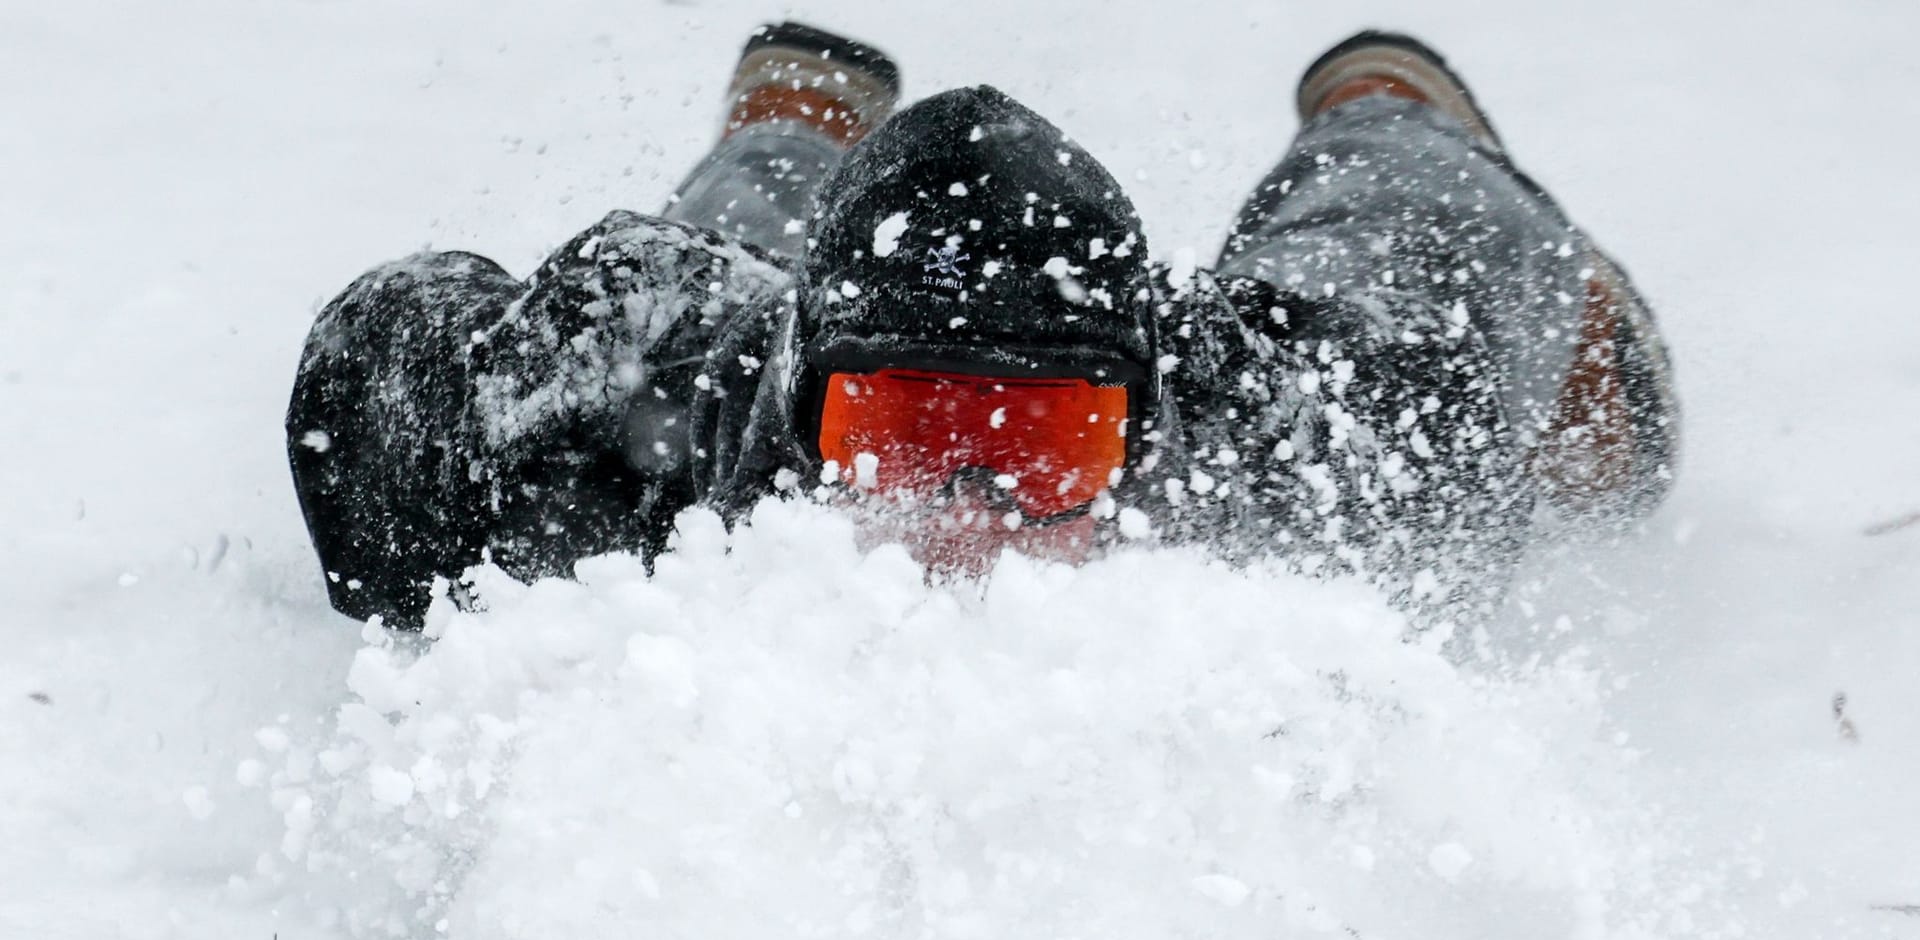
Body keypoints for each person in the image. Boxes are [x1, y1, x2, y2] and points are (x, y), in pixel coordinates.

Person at [287, 23, 1678, 632]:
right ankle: (792, 133)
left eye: (1043, 445)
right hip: (761, 306)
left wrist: (1565, 411)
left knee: (1404, 227)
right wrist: (423, 521)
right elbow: (374, 366)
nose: (965, 515)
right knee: (748, 255)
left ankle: (1389, 105)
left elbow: (1453, 418)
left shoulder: (1284, 432)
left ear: (1134, 426)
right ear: (803, 401)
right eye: (901, 434)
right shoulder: (658, 397)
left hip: (1298, 307)